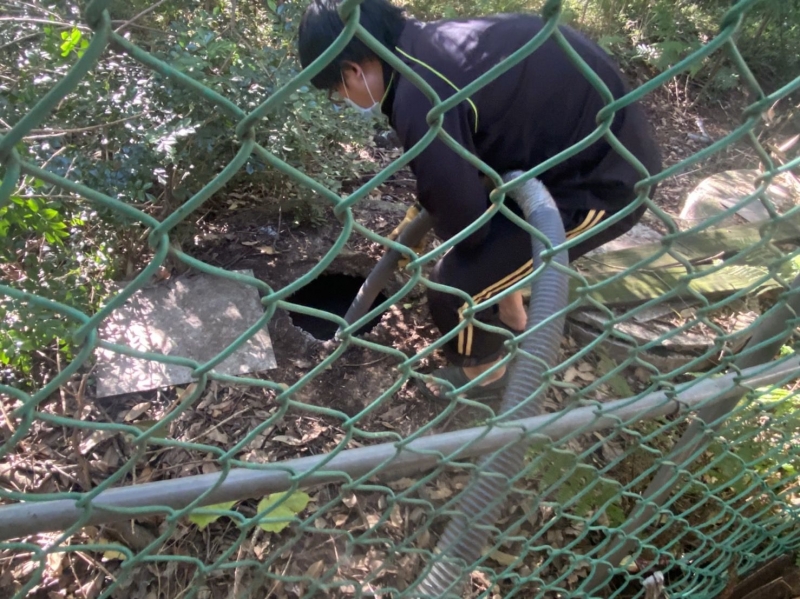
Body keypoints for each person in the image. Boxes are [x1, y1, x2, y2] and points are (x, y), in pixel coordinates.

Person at [298, 0, 662, 401]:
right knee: (493, 255)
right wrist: (429, 206)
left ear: (352, 69)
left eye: (336, 90)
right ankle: (514, 324)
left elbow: (469, 230)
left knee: (454, 291)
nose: (342, 98)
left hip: (601, 179)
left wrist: (437, 218)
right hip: (571, 152)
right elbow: (467, 151)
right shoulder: (427, 46)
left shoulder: (417, 99)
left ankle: (487, 378)